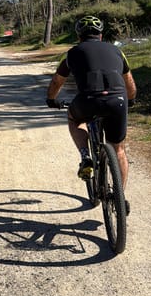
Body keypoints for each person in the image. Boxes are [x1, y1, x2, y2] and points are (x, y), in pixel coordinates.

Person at [45, 15, 137, 211]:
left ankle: (86, 156)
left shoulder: (71, 53)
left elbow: (56, 82)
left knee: (74, 119)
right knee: (119, 149)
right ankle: (119, 198)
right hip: (117, 101)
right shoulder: (117, 51)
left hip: (88, 100)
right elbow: (129, 82)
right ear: (101, 35)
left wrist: (51, 100)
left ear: (79, 36)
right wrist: (130, 99)